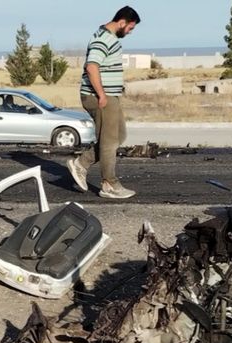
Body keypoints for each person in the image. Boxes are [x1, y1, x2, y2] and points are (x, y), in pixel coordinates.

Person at [67, 6, 140, 199]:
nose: (130, 32)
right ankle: (110, 184)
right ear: (122, 22)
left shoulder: (109, 37)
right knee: (109, 142)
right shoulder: (103, 38)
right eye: (130, 28)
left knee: (119, 136)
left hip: (109, 96)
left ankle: (81, 163)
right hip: (100, 96)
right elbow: (92, 67)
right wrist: (101, 95)